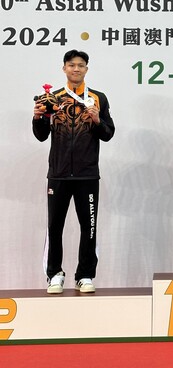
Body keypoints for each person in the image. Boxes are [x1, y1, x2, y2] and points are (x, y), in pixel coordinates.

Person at [32, 50, 115, 295]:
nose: (76, 69)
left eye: (80, 65)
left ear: (86, 69)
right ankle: (54, 274)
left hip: (87, 175)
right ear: (64, 68)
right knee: (54, 226)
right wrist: (38, 117)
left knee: (88, 227)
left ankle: (85, 275)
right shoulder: (51, 98)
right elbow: (41, 135)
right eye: (71, 65)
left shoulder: (98, 98)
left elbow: (108, 134)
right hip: (57, 174)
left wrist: (98, 119)